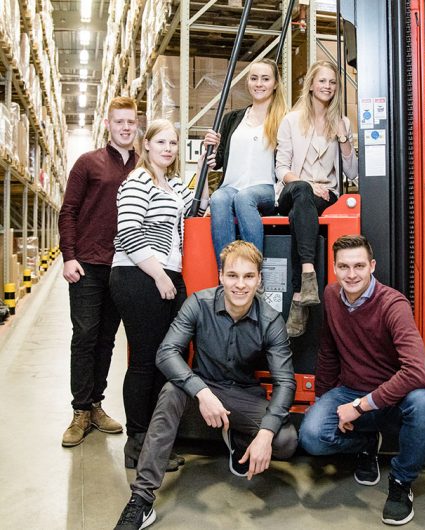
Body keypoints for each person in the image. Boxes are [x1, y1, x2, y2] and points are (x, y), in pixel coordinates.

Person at [113, 241, 297, 530]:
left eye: (248, 276)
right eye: (233, 275)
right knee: (171, 391)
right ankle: (141, 499)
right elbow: (166, 352)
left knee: (285, 441)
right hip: (201, 391)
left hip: (242, 396)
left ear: (259, 280)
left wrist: (265, 434)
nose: (240, 285)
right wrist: (200, 391)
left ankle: (239, 436)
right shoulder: (199, 304)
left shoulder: (270, 320)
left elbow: (285, 381)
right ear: (221, 276)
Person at [299, 235, 425, 526]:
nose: (351, 274)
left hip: (393, 399)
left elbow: (418, 372)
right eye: (344, 267)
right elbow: (328, 350)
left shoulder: (393, 304)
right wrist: (321, 401)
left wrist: (360, 406)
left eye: (359, 266)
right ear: (334, 268)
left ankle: (401, 483)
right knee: (311, 435)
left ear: (372, 266)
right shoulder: (331, 295)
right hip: (349, 390)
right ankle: (366, 443)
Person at [109, 119, 210, 469]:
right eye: (161, 142)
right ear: (147, 145)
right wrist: (159, 275)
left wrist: (203, 170)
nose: (168, 148)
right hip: (138, 275)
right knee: (145, 360)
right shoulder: (138, 180)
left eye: (173, 143)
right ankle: (137, 444)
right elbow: (128, 231)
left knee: (167, 358)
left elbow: (198, 211)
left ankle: (155, 441)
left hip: (168, 274)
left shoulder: (173, 183)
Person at [58, 96, 138, 447]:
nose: (125, 127)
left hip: (124, 266)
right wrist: (68, 256)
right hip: (88, 264)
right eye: (119, 121)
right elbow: (68, 211)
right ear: (108, 124)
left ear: (137, 125)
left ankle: (95, 404)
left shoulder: (143, 166)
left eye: (130, 122)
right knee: (85, 335)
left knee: (107, 338)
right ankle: (79, 410)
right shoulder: (88, 163)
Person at [275, 60, 358, 338]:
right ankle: (307, 275)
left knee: (302, 211)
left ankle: (301, 293)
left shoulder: (342, 123)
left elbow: (352, 172)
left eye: (332, 82)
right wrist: (307, 184)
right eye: (322, 81)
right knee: (301, 192)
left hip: (324, 194)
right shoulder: (291, 120)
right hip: (293, 189)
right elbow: (281, 168)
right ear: (311, 84)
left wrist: (343, 137)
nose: (328, 86)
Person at [203, 58, 287, 268]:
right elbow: (218, 161)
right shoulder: (233, 118)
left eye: (265, 79)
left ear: (275, 83)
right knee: (219, 197)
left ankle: (252, 272)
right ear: (248, 81)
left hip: (266, 189)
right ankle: (227, 272)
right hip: (232, 186)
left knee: (244, 197)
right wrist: (211, 146)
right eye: (254, 78)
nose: (259, 84)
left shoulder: (283, 119)